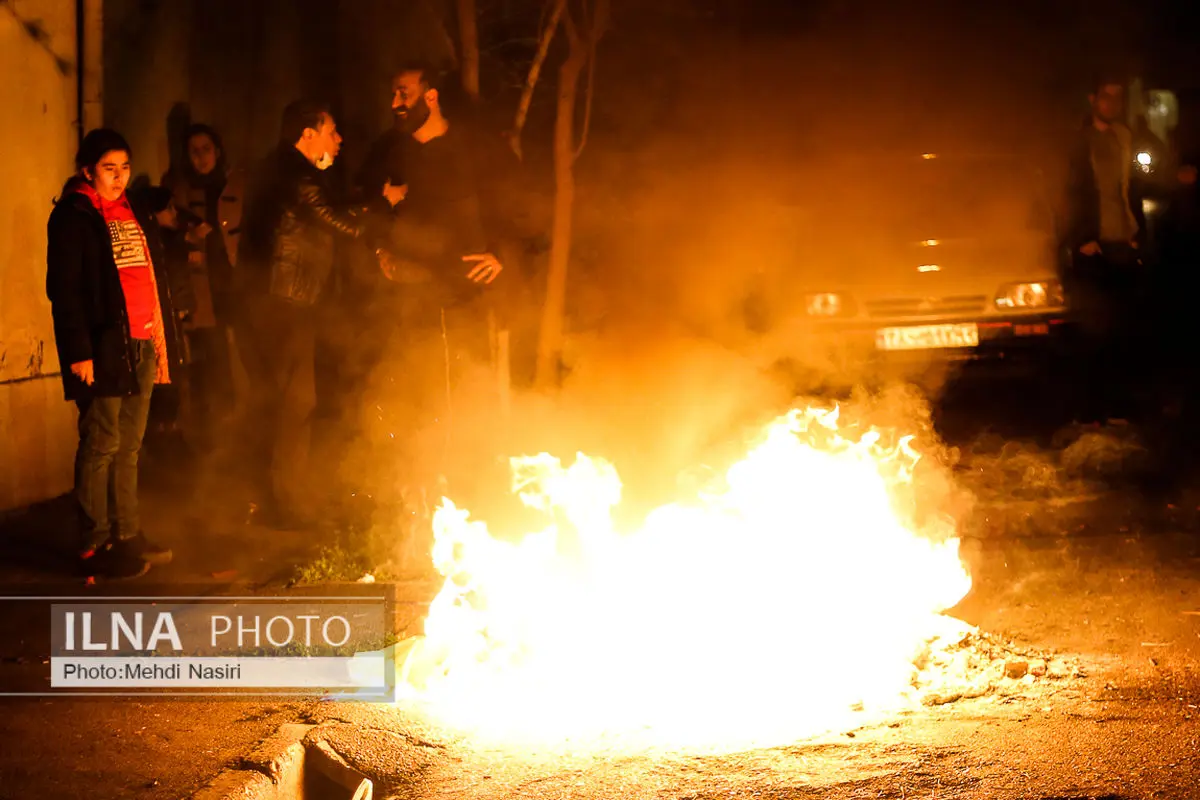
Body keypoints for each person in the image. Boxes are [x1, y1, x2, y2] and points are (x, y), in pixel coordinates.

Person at [241, 100, 395, 529]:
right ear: (307, 135)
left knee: (278, 402)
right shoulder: (299, 176)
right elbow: (344, 226)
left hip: (271, 302)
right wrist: (384, 204)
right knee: (296, 403)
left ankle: (268, 498)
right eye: (331, 131)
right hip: (287, 304)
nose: (340, 139)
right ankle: (288, 504)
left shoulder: (278, 169)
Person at [46, 129, 182, 579]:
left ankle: (127, 532)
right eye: (109, 168)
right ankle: (93, 541)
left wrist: (162, 339)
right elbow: (65, 290)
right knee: (101, 442)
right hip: (104, 345)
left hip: (142, 340)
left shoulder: (133, 208)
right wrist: (80, 351)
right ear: (88, 170)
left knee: (130, 445)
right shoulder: (76, 215)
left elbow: (150, 269)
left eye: (124, 167)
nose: (119, 177)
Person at [1063, 77, 1148, 421]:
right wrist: (1081, 237)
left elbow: (1132, 185)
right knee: (1096, 327)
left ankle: (1122, 403)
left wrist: (1137, 232)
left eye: (1118, 98)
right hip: (1093, 246)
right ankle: (1094, 406)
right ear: (1092, 99)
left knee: (1126, 327)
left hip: (1123, 242)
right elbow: (1069, 190)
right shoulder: (1079, 141)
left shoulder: (1125, 137)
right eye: (1107, 97)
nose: (1112, 103)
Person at [163, 124, 248, 447]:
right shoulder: (178, 191)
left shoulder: (236, 183)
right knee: (206, 364)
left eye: (206, 149)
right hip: (200, 291)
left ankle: (240, 430)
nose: (201, 158)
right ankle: (209, 436)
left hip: (235, 284)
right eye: (194, 151)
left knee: (240, 355)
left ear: (218, 150)